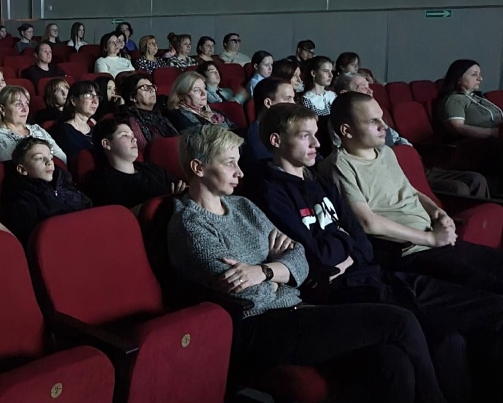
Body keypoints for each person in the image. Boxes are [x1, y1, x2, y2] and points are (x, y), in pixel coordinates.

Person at [167, 125, 448, 403]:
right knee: (400, 321)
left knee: (391, 360)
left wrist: (265, 271)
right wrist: (279, 270)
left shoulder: (243, 206)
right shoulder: (190, 225)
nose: (240, 172)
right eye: (230, 163)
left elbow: (299, 256)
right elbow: (247, 293)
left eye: (239, 163)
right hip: (258, 327)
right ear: (198, 168)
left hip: (295, 309)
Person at [253, 103, 503, 402]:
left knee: (492, 309)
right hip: (345, 291)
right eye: (305, 136)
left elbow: (363, 244)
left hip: (379, 275)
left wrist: (344, 247)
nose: (317, 143)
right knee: (446, 340)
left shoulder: (318, 180)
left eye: (316, 134)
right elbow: (316, 257)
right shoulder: (269, 191)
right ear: (276, 140)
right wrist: (344, 243)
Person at [323, 92, 503, 294]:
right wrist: (431, 239)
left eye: (382, 118)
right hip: (410, 251)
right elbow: (368, 223)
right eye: (373, 121)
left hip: (435, 240)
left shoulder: (386, 152)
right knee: (491, 287)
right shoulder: (339, 165)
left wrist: (438, 212)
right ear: (346, 130)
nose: (384, 126)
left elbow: (410, 191)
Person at [332, 72, 489, 198]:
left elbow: (397, 138)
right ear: (345, 94)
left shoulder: (377, 113)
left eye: (369, 87)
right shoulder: (340, 122)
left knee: (477, 179)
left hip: (413, 165)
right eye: (363, 88)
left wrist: (409, 154)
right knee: (459, 188)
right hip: (393, 172)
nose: (370, 91)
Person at [0, 137, 92, 245]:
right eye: (39, 158)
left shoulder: (65, 182)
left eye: (50, 157)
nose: (49, 162)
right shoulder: (21, 200)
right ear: (22, 169)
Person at [85, 117, 183, 210]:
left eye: (133, 135)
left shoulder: (150, 168)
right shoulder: (102, 183)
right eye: (125, 135)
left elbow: (181, 187)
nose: (134, 139)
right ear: (106, 144)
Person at [0, 85, 66, 165]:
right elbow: (17, 167)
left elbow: (61, 157)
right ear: (2, 109)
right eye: (18, 104)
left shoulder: (36, 128)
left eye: (26, 104)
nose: (25, 109)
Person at [240, 77, 296, 177]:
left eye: (293, 98)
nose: (294, 104)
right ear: (268, 103)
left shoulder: (291, 128)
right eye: (288, 98)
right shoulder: (253, 140)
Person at [435, 59, 502, 140]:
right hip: (481, 143)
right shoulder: (454, 99)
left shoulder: (477, 97)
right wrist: (494, 133)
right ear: (458, 78)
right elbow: (457, 128)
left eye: (479, 74)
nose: (480, 79)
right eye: (474, 75)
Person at [118, 75, 178, 151]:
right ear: (132, 97)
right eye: (145, 87)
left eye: (152, 86)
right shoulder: (131, 119)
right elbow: (143, 147)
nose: (152, 90)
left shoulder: (159, 115)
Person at [166, 71, 235, 132]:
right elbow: (203, 137)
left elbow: (234, 128)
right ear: (181, 96)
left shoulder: (212, 111)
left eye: (204, 88)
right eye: (196, 90)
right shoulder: (180, 116)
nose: (204, 93)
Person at [50, 80, 97, 163]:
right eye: (89, 95)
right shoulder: (63, 131)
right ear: (74, 101)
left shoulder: (96, 128)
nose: (95, 101)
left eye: (97, 97)